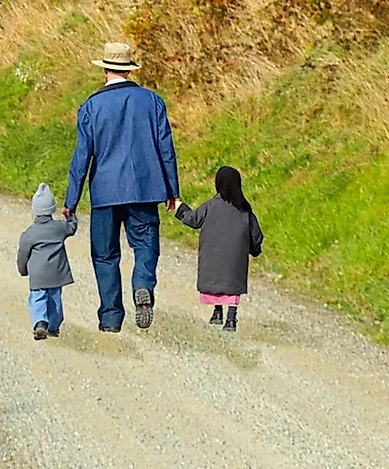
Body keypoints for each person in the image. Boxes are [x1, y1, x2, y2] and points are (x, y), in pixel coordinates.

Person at [63, 40, 180, 332]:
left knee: (105, 255)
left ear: (104, 70)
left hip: (104, 192)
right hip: (144, 189)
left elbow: (81, 157)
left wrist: (71, 200)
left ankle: (111, 319)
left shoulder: (91, 106)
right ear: (129, 70)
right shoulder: (152, 101)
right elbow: (166, 147)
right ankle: (142, 286)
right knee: (145, 245)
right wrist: (172, 190)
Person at [176, 166, 264, 332]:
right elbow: (255, 235)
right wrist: (255, 249)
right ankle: (231, 318)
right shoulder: (245, 209)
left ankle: (217, 312)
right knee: (232, 284)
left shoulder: (211, 206)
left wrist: (179, 207)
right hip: (235, 261)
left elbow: (193, 219)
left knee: (216, 280)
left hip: (213, 257)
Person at [15, 183, 81, 340]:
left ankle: (40, 323)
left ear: (34, 210)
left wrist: (23, 269)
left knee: (38, 298)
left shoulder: (29, 234)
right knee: (55, 301)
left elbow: (23, 254)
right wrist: (71, 216)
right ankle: (53, 327)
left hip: (38, 275)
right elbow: (72, 228)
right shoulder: (59, 228)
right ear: (52, 209)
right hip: (56, 274)